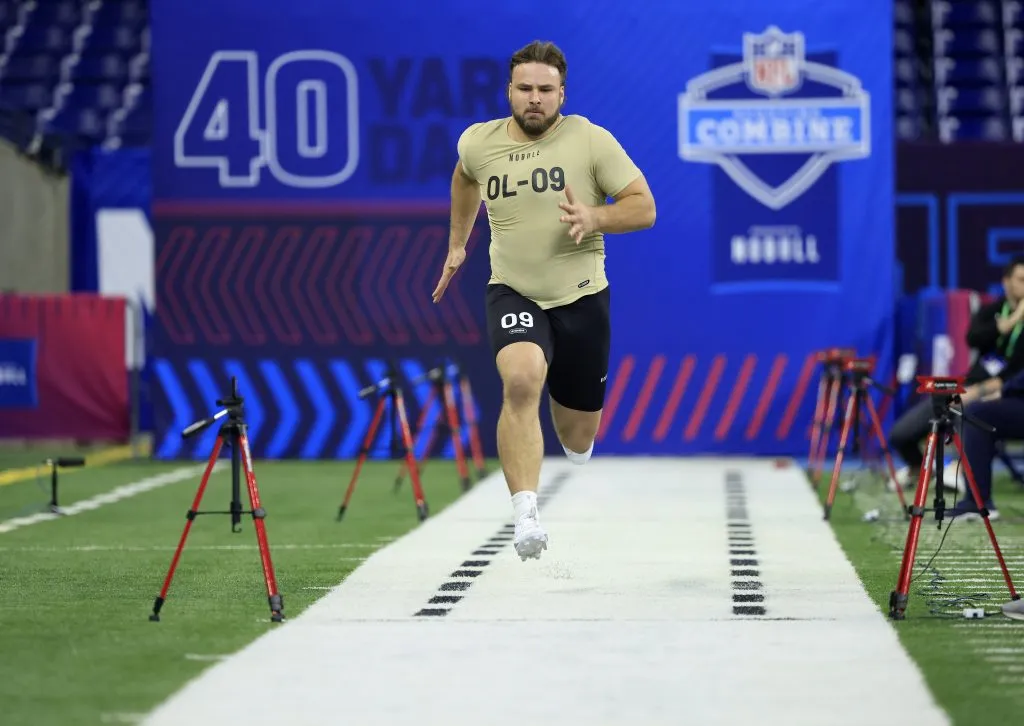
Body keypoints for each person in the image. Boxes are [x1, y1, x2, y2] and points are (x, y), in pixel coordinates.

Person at [431, 40, 656, 561]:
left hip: (581, 298)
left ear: (562, 94)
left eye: (545, 90)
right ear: (510, 91)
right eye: (526, 88)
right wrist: (458, 244)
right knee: (521, 378)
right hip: (513, 289)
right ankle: (526, 513)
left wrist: (595, 218)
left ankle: (572, 434)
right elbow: (465, 178)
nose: (535, 98)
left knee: (577, 438)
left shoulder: (590, 140)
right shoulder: (478, 143)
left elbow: (644, 207)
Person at [888, 255, 1024, 499]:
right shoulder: (995, 309)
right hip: (966, 385)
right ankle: (924, 471)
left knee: (973, 413)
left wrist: (978, 392)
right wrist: (1012, 321)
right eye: (1022, 280)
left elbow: (1013, 375)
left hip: (996, 393)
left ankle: (961, 474)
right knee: (900, 435)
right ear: (1006, 282)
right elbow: (973, 338)